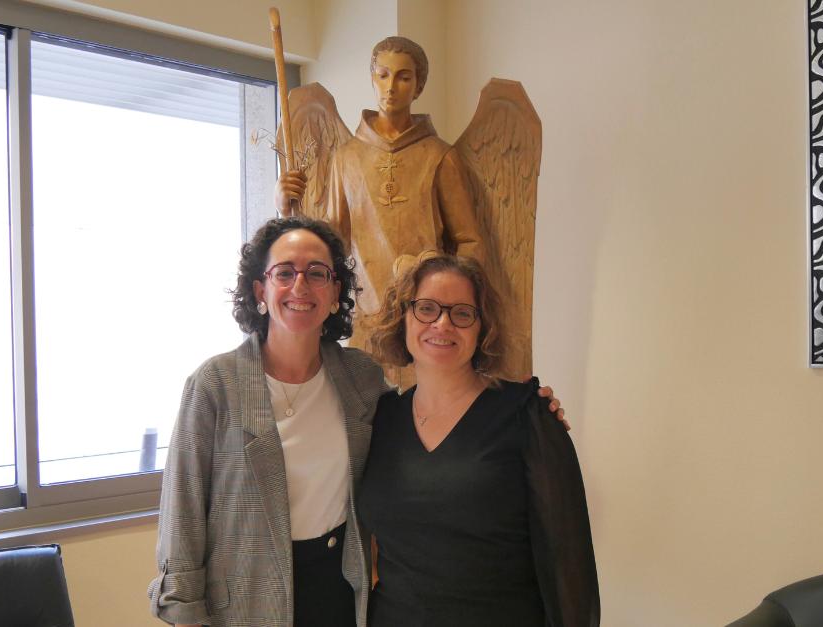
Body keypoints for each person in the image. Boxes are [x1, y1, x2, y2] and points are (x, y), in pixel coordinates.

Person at [148, 217, 564, 627]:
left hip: (340, 593)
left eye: (317, 274)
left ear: (334, 295)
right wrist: (185, 615)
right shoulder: (215, 385)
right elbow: (182, 509)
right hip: (245, 600)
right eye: (285, 273)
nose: (300, 286)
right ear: (261, 290)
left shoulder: (361, 380)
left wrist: (529, 406)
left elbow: (436, 417)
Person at [360, 255, 599, 627]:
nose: (442, 323)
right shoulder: (381, 416)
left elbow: (568, 561)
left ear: (481, 328)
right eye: (426, 308)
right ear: (403, 318)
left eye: (462, 313)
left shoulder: (526, 415)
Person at [275, 37, 486, 350]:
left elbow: (470, 241)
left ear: (419, 86)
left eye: (404, 77)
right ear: (372, 79)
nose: (391, 87)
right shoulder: (347, 158)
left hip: (427, 321)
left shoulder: (440, 157)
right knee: (368, 396)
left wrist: (449, 301)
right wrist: (288, 209)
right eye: (383, 75)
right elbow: (332, 243)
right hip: (367, 319)